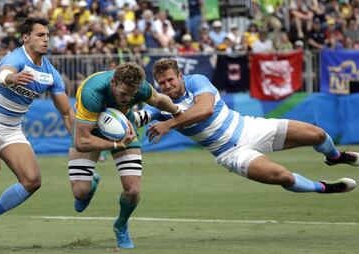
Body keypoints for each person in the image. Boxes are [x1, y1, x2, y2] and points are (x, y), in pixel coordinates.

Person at [137, 58, 358, 196]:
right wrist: (123, 122)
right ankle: (324, 188)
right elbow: (139, 117)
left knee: (317, 134)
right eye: (162, 83)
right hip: (230, 153)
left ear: (180, 76)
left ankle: (336, 157)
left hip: (249, 127)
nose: (167, 86)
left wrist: (170, 124)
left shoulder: (197, 81)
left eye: (170, 80)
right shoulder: (161, 106)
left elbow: (205, 109)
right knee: (283, 177)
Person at [0, 17, 75, 251]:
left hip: (11, 129)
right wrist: (12, 77)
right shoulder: (15, 58)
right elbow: (4, 74)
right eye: (40, 35)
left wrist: (79, 142)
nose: (46, 39)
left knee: (32, 181)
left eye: (47, 35)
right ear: (25, 38)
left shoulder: (51, 74)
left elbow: (66, 114)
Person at [68, 62, 180, 249]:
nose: (127, 99)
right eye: (123, 94)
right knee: (80, 193)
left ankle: (121, 224)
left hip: (124, 127)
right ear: (113, 82)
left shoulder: (142, 87)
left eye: (132, 95)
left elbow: (160, 100)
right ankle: (91, 181)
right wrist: (115, 144)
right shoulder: (92, 92)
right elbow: (81, 141)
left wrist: (178, 112)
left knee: (133, 190)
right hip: (91, 130)